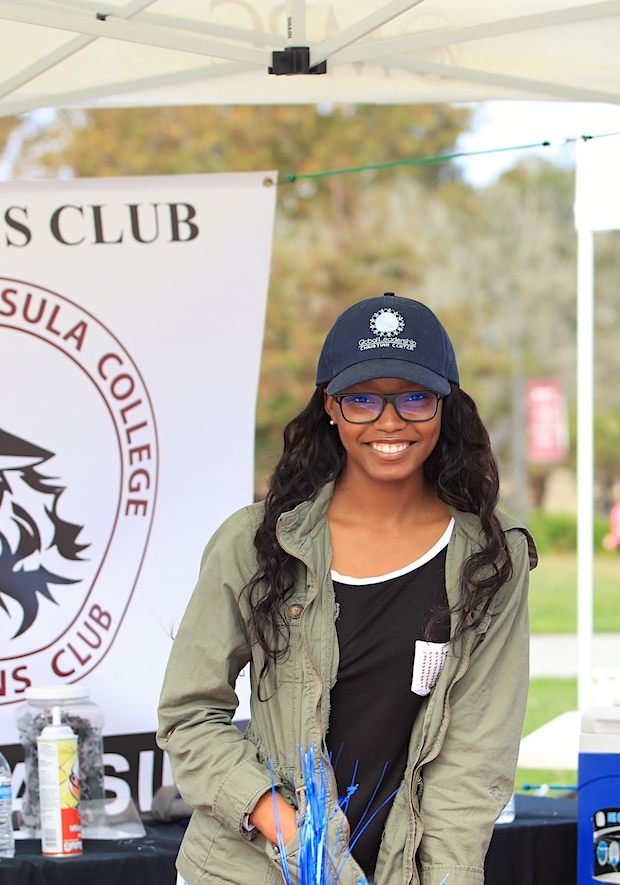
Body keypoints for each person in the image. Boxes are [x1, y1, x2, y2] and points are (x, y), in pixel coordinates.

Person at [156, 294, 534, 885]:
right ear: (330, 407)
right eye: (362, 399)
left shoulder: (490, 557)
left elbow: (475, 756)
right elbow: (189, 715)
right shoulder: (255, 543)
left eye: (414, 397)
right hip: (248, 869)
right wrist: (296, 838)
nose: (389, 421)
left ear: (445, 408)